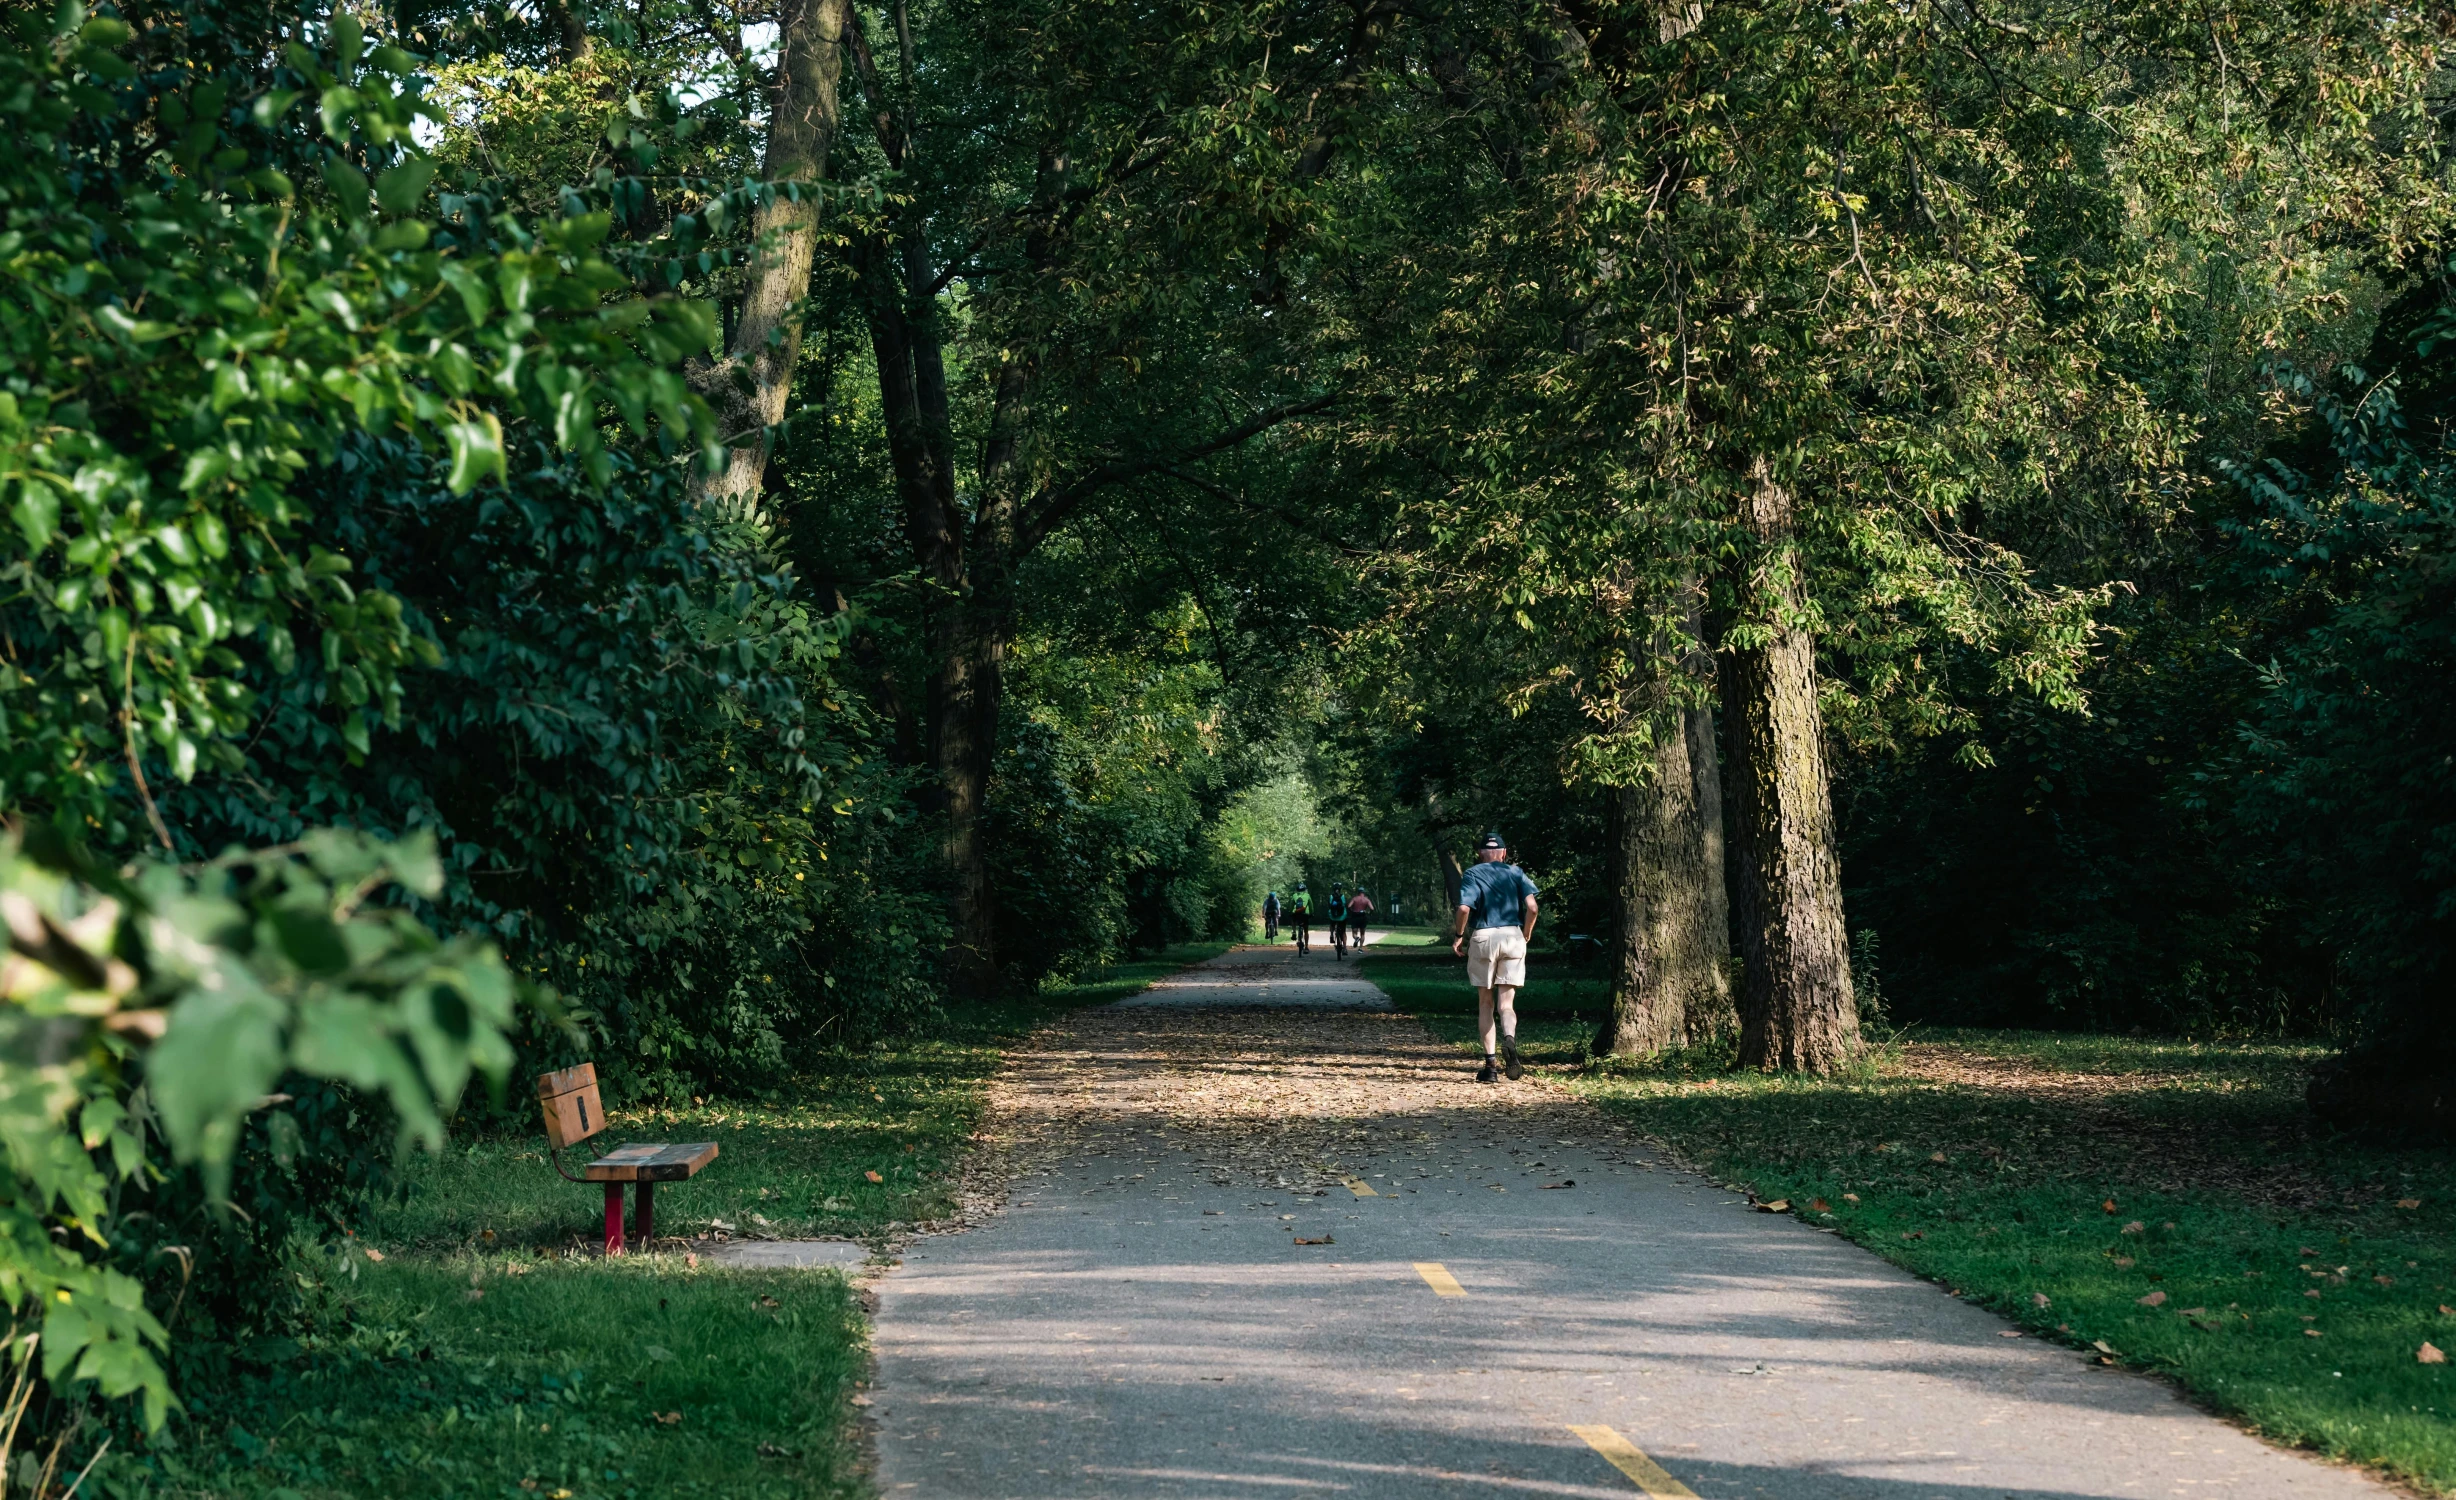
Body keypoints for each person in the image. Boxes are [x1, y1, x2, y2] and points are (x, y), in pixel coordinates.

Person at [1451, 830, 1539, 1083]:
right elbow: (1532, 907)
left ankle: (1490, 1067)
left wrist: (1459, 935)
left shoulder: (1472, 873)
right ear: (1503, 853)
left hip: (1484, 937)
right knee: (1506, 1005)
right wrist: (1526, 933)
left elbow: (1464, 908)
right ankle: (1509, 1038)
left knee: (1485, 1003)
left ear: (1480, 854)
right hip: (1513, 936)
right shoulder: (1515, 872)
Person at [1288, 881, 1312, 955]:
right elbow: (1311, 905)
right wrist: (1312, 913)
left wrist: (1290, 911)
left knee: (1293, 919)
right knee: (1306, 930)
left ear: (1297, 890)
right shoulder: (1307, 895)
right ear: (1305, 889)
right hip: (1305, 914)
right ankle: (1306, 947)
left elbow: (1291, 905)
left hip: (1296, 913)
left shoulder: (1294, 895)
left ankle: (1294, 931)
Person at [1326, 884, 1349, 958]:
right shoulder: (1342, 896)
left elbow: (1329, 905)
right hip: (1342, 917)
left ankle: (1332, 935)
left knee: (1332, 924)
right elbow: (1344, 904)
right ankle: (1345, 948)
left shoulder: (1331, 897)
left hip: (1333, 916)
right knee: (1343, 932)